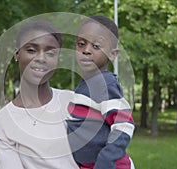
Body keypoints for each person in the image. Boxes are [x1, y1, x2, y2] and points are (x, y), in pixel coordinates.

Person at [0, 20, 79, 169]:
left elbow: (110, 154)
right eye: (31, 50)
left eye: (50, 53)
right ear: (17, 54)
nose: (41, 58)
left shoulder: (74, 102)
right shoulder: (1, 124)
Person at [66, 16, 135, 169]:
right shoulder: (86, 85)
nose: (86, 50)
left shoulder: (104, 84)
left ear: (112, 54)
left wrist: (106, 159)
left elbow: (124, 124)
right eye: (81, 44)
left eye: (96, 46)